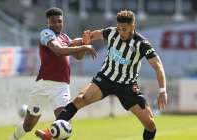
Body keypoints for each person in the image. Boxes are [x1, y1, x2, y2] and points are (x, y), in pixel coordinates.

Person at [38, 9, 168, 140]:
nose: (121, 32)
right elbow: (93, 35)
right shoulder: (111, 32)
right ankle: (51, 133)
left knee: (150, 124)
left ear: (133, 26)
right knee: (80, 99)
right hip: (105, 78)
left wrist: (162, 90)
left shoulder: (142, 44)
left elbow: (158, 66)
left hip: (127, 86)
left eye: (124, 29)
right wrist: (87, 38)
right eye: (119, 28)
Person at [10, 7, 97, 140]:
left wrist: (85, 43)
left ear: (63, 22)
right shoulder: (46, 33)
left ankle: (48, 135)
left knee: (64, 126)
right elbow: (58, 51)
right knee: (28, 126)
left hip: (61, 87)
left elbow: (78, 56)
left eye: (59, 21)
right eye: (53, 21)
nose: (57, 24)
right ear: (48, 23)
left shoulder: (64, 37)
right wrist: (84, 46)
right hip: (44, 84)